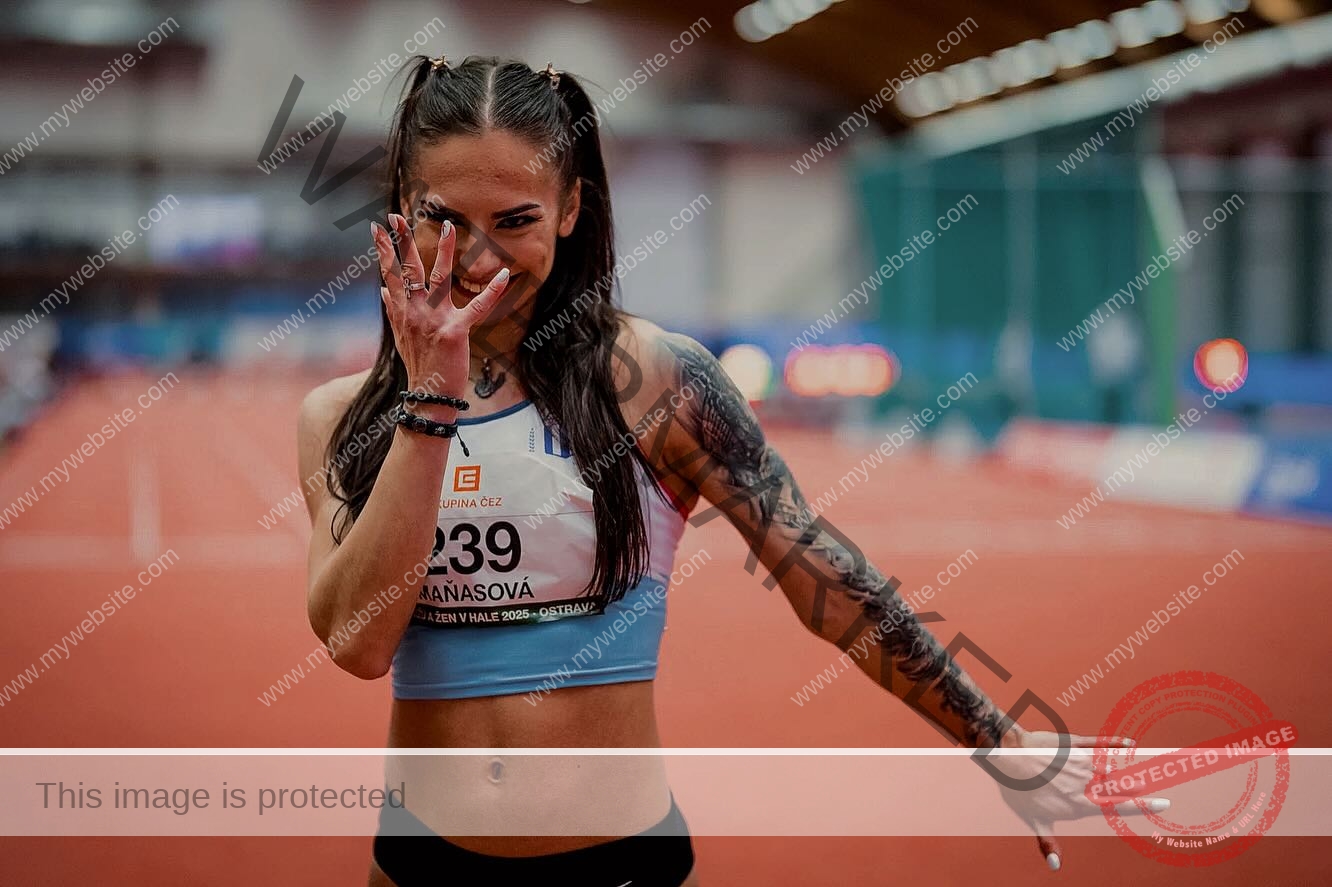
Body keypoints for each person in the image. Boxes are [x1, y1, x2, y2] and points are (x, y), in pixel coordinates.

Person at [296, 54, 1168, 887]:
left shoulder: (661, 383)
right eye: (444, 220)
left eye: (516, 220)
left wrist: (996, 737)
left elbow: (828, 581)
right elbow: (358, 645)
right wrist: (430, 408)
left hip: (621, 860)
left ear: (570, 208)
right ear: (401, 213)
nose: (480, 259)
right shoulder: (344, 420)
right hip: (420, 862)